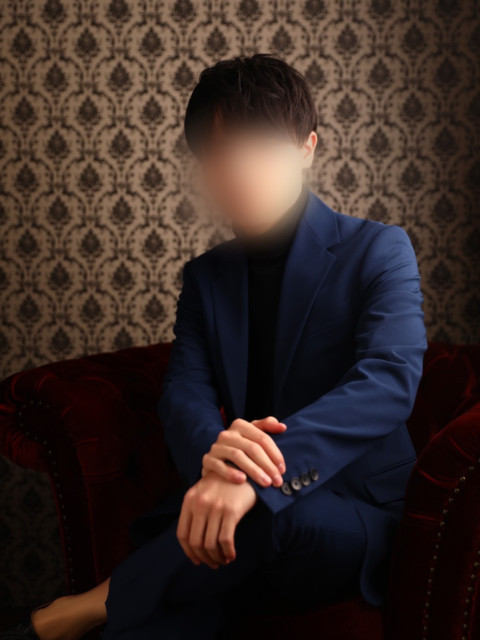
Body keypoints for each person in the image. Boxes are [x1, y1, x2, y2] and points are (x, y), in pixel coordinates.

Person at [3, 54, 427, 640]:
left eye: (261, 147)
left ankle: (71, 613)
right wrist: (219, 464)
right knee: (185, 592)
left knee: (268, 515)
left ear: (307, 148)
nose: (239, 170)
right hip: (235, 509)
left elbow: (388, 381)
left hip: (356, 511)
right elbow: (184, 393)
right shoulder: (206, 277)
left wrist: (253, 478)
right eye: (219, 153)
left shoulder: (379, 249)